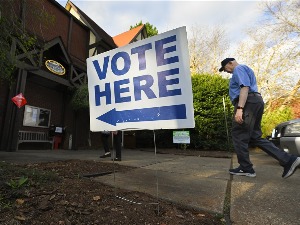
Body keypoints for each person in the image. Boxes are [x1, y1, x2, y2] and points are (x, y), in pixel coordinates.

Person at [219, 58, 300, 178]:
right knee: (254, 137)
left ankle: (246, 168)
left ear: (230, 63)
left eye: (225, 69)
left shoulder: (238, 69)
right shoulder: (246, 69)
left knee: (239, 135)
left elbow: (244, 87)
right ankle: (288, 160)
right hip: (254, 101)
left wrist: (240, 108)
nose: (226, 72)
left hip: (247, 103)